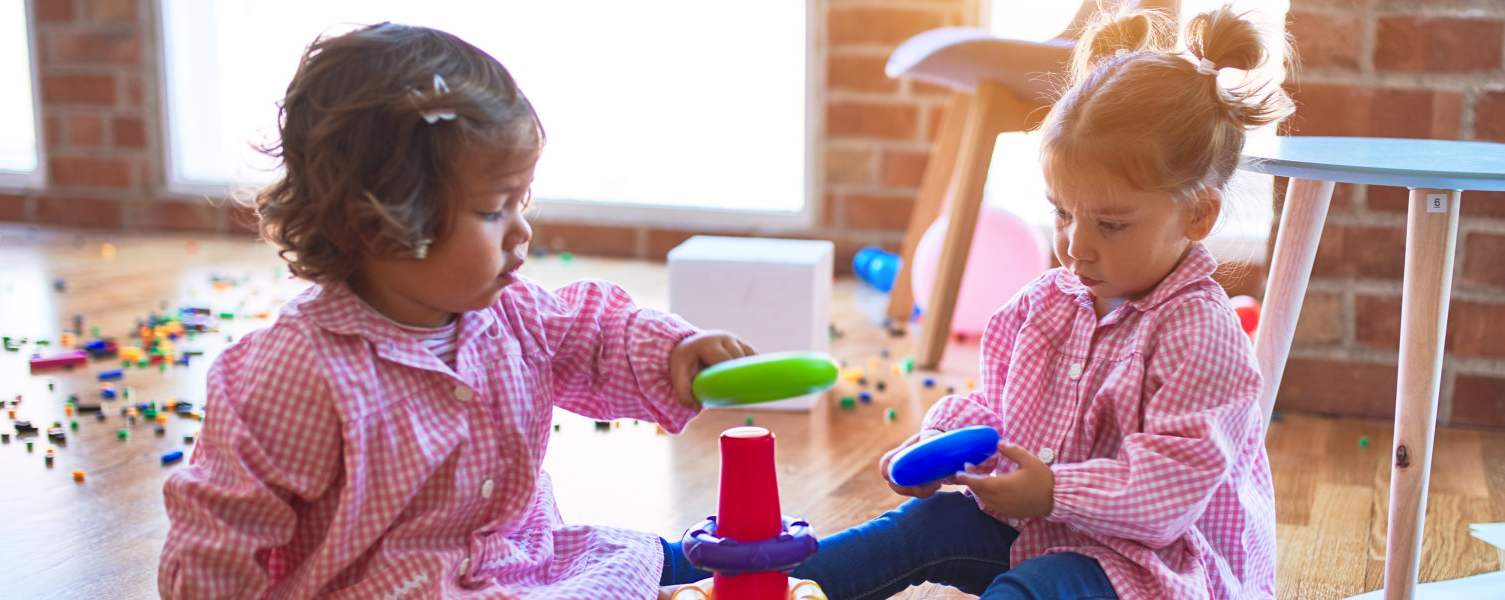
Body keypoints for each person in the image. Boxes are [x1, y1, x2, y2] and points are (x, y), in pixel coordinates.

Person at [669, 5, 1293, 599]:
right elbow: (995, 410)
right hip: (1046, 528)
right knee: (924, 526)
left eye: (1110, 224)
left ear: (1198, 215)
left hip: (1155, 571)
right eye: (1062, 214)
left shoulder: (1201, 334)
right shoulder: (1044, 305)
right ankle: (756, 576)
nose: (1076, 247)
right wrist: (937, 441)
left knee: (1033, 590)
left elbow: (1168, 492)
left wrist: (1052, 491)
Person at [157, 23, 755, 598]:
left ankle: (696, 564)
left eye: (520, 202)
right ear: (380, 223)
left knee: (608, 558)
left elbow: (595, 335)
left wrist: (673, 352)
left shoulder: (514, 314)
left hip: (515, 561)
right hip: (387, 589)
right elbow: (225, 528)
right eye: (493, 210)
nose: (521, 231)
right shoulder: (298, 372)